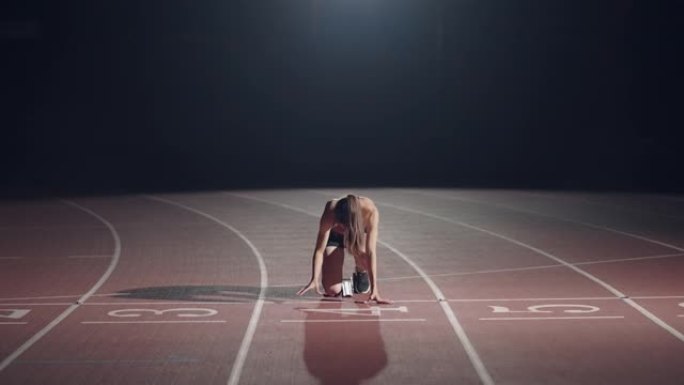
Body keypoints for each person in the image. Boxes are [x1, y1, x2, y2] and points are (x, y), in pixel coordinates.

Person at [297, 194, 390, 304]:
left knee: (365, 254)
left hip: (358, 236)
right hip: (335, 237)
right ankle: (342, 283)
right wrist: (314, 279)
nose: (342, 228)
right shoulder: (330, 210)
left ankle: (361, 271)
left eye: (344, 225)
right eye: (339, 223)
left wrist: (375, 289)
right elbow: (319, 250)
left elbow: (371, 252)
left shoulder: (370, 211)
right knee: (332, 290)